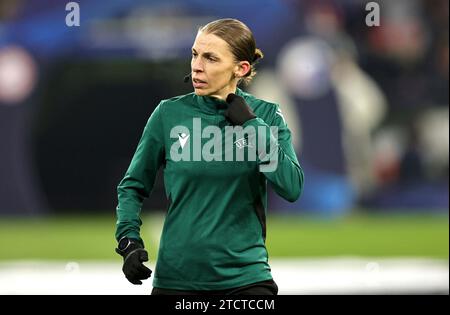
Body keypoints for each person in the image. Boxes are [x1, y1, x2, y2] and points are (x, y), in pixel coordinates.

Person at [114, 18, 304, 295]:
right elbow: (132, 186)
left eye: (211, 58)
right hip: (176, 281)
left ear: (241, 68)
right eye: (194, 54)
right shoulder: (168, 114)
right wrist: (128, 239)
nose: (197, 66)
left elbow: (291, 187)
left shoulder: (266, 115)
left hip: (246, 279)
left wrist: (251, 125)